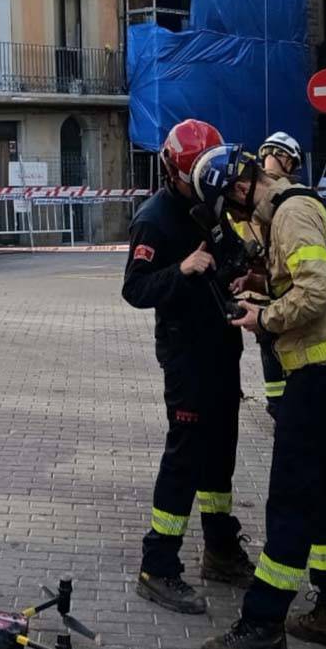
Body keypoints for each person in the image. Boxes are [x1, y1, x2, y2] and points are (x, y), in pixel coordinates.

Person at [190, 143, 326, 649]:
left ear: (241, 188)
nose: (235, 219)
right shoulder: (294, 206)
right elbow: (304, 281)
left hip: (321, 375)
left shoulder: (290, 216)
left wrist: (263, 319)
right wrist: (260, 285)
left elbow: (317, 295)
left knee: (291, 497)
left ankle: (263, 624)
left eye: (230, 207)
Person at [122, 120, 255, 615]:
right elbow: (135, 289)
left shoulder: (209, 205)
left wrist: (240, 272)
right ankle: (157, 565)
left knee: (220, 453)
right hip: (186, 354)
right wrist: (180, 270)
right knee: (185, 457)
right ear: (173, 173)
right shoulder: (154, 220)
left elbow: (227, 252)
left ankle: (220, 549)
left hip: (221, 346)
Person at [254, 132, 305, 420]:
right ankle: (282, 405)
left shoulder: (254, 189)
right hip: (279, 286)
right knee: (281, 348)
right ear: (285, 158)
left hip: (264, 286)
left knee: (269, 348)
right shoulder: (285, 195)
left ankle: (276, 403)